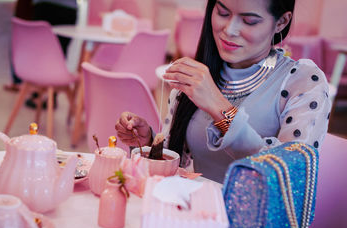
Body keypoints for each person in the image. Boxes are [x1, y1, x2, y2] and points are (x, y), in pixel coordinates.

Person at [115, 0, 331, 182]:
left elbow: (290, 177)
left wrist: (220, 109)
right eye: (222, 12)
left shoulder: (302, 81)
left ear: (281, 22)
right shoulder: (199, 77)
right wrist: (148, 142)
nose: (229, 29)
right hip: (195, 219)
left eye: (249, 21)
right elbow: (177, 167)